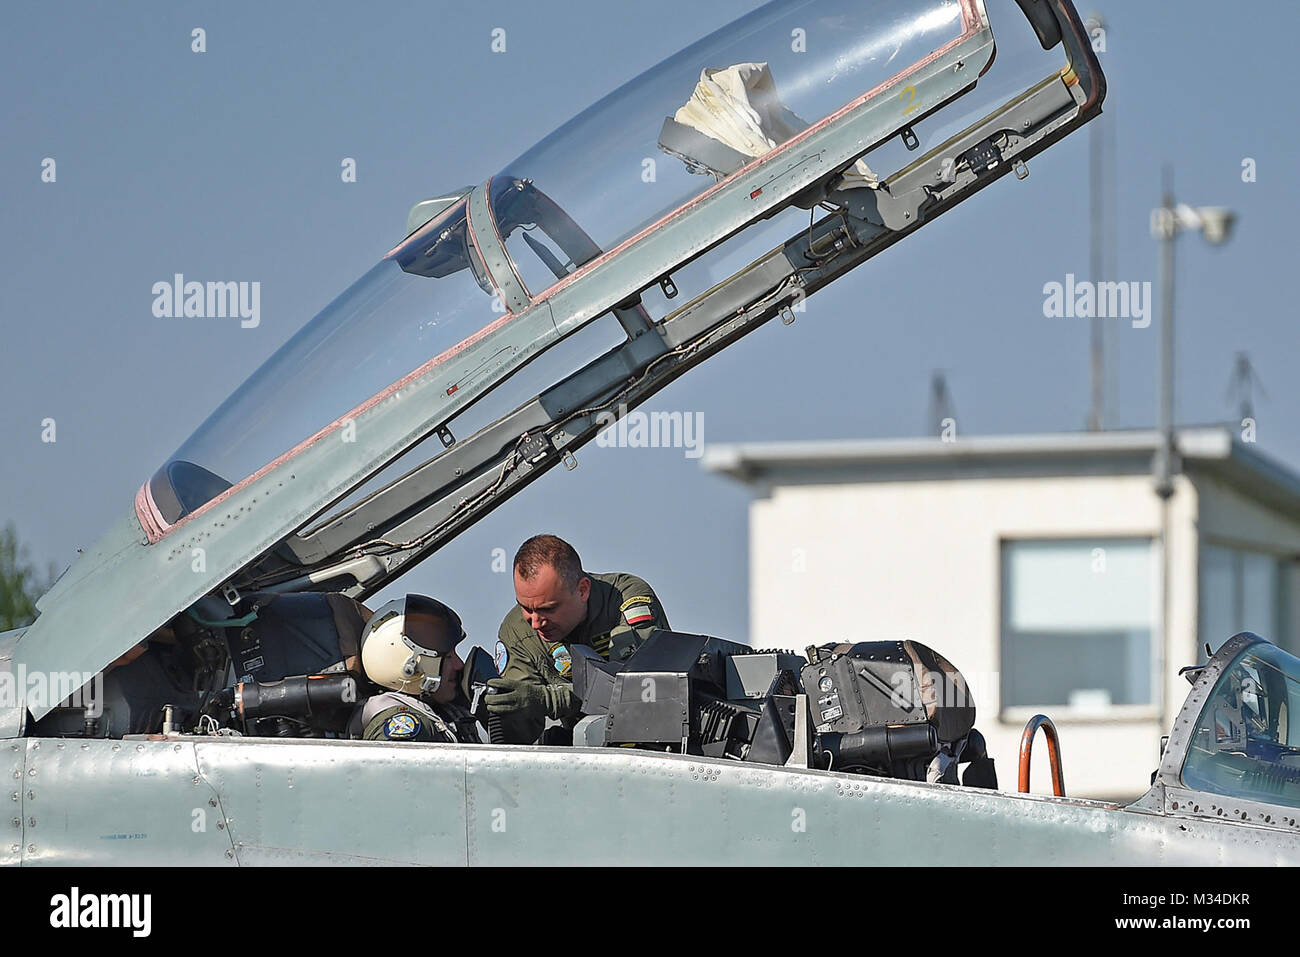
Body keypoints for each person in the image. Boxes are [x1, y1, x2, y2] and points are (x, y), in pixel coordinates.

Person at [486, 535, 670, 743]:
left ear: (583, 590)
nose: (536, 623)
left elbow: (638, 689)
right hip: (587, 753)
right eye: (526, 608)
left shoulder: (624, 599)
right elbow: (522, 731)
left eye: (548, 609)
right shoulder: (518, 632)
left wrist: (549, 700)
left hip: (656, 742)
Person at [350, 594, 482, 744]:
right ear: (410, 667)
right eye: (448, 657)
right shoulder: (404, 725)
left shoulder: (440, 714)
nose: (460, 665)